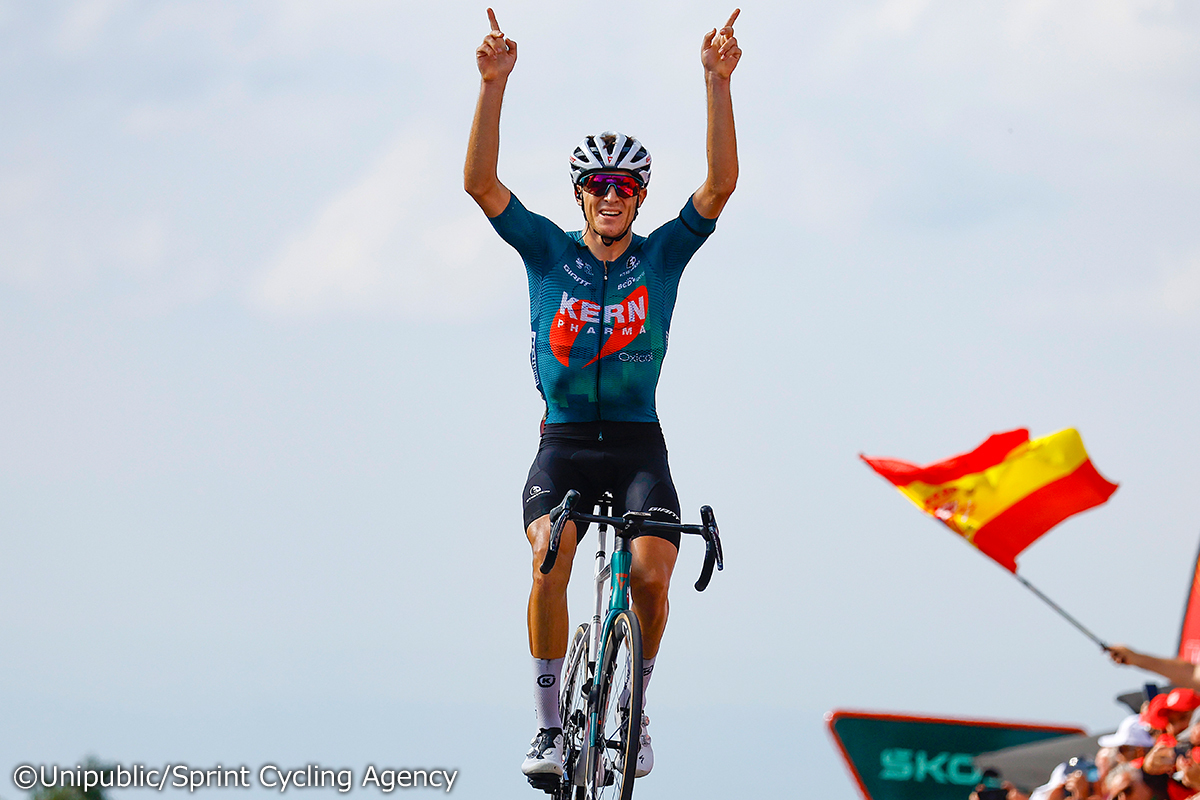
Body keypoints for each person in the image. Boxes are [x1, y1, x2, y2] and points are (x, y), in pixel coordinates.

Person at [464, 5, 742, 786]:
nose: (611, 196)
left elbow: (720, 184)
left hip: (637, 446)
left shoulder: (661, 259)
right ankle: (551, 729)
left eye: (625, 186)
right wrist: (493, 85)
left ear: (640, 196)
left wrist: (715, 82)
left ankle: (637, 708)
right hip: (561, 446)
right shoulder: (546, 251)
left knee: (652, 574)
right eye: (598, 185)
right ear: (581, 195)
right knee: (550, 559)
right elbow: (480, 183)